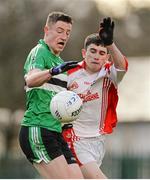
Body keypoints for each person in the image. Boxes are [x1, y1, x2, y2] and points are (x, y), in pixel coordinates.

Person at [19, 11, 84, 179]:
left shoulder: (61, 63)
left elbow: (58, 105)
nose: (64, 36)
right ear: (46, 30)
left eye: (68, 32)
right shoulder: (40, 51)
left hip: (55, 131)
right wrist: (53, 71)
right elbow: (31, 80)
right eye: (60, 30)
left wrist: (67, 119)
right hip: (38, 128)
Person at [62, 17, 128, 179]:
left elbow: (122, 66)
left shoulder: (109, 73)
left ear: (107, 57)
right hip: (74, 139)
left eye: (102, 53)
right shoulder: (69, 74)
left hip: (98, 139)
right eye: (92, 51)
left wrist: (110, 43)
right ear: (84, 53)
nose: (96, 56)